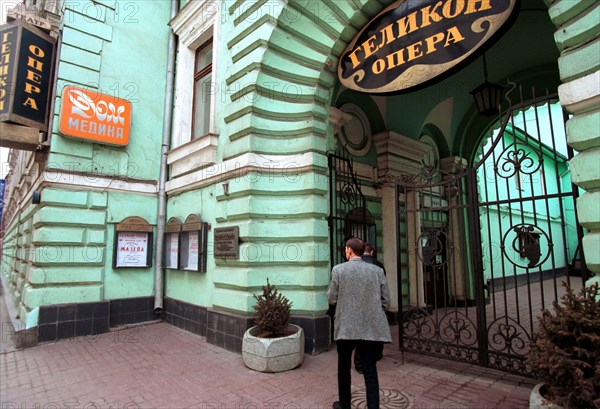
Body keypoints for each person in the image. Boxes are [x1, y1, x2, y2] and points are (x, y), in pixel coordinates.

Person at [327, 237, 392, 409]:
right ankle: (373, 406)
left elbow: (332, 298)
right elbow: (386, 300)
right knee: (370, 369)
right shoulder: (377, 271)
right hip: (370, 326)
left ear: (349, 250)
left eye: (345, 249)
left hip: (346, 327)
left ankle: (345, 405)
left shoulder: (338, 270)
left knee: (344, 368)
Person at [354, 243, 386, 373]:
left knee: (360, 335)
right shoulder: (378, 265)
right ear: (372, 252)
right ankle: (376, 355)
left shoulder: (354, 265)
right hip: (375, 303)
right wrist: (383, 305)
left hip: (358, 304)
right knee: (376, 332)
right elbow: (383, 287)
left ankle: (359, 364)